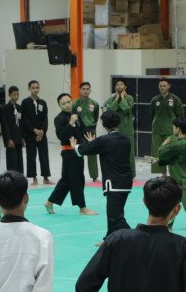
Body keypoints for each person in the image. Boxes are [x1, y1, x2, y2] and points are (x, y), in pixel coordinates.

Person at [78, 110, 134, 240]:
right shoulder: (126, 139)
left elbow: (83, 150)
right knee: (113, 214)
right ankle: (109, 239)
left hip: (114, 184)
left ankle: (136, 237)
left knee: (116, 217)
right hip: (126, 182)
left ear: (104, 124)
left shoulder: (104, 140)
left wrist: (76, 146)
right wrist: (93, 143)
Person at [44, 93, 97, 217]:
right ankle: (82, 208)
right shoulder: (60, 118)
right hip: (69, 152)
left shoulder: (75, 115)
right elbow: (61, 136)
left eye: (68, 102)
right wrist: (70, 123)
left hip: (78, 151)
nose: (67, 105)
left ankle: (49, 202)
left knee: (67, 180)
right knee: (77, 180)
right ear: (59, 105)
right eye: (63, 103)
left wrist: (89, 138)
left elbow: (84, 130)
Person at [149, 79, 184, 175]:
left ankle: (174, 174)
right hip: (157, 130)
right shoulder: (155, 100)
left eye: (164, 86)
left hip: (171, 131)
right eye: (160, 86)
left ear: (169, 86)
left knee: (171, 152)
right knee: (158, 152)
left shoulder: (176, 99)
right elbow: (152, 114)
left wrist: (178, 130)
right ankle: (162, 175)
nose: (162, 88)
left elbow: (180, 116)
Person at [105, 80, 137, 178]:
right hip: (114, 129)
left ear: (125, 87)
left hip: (127, 129)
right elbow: (110, 109)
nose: (119, 86)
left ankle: (132, 174)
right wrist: (117, 98)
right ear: (115, 87)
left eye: (121, 84)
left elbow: (127, 109)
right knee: (115, 151)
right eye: (117, 84)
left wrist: (122, 98)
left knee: (130, 152)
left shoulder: (130, 98)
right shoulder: (111, 98)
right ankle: (116, 172)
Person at [22, 80, 51, 185]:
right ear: (29, 89)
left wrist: (42, 131)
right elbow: (24, 119)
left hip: (42, 135)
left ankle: (46, 177)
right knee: (31, 156)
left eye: (37, 87)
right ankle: (34, 178)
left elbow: (45, 119)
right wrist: (33, 130)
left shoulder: (43, 102)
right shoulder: (25, 102)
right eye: (33, 88)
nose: (35, 90)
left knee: (44, 156)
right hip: (30, 135)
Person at [75, 81, 101, 182]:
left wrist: (92, 127)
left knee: (92, 154)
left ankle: (94, 177)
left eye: (87, 89)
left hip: (91, 130)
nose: (86, 91)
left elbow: (95, 117)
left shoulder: (94, 103)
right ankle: (77, 176)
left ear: (90, 90)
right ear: (79, 90)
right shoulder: (75, 104)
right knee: (78, 152)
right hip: (79, 131)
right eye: (83, 89)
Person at [3, 85, 25, 174]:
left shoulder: (20, 108)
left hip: (19, 137)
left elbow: (22, 124)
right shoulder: (5, 108)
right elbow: (5, 125)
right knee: (12, 160)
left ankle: (20, 178)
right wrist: (8, 139)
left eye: (17, 94)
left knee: (19, 160)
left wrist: (23, 138)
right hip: (11, 139)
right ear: (9, 95)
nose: (16, 96)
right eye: (14, 94)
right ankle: (12, 179)